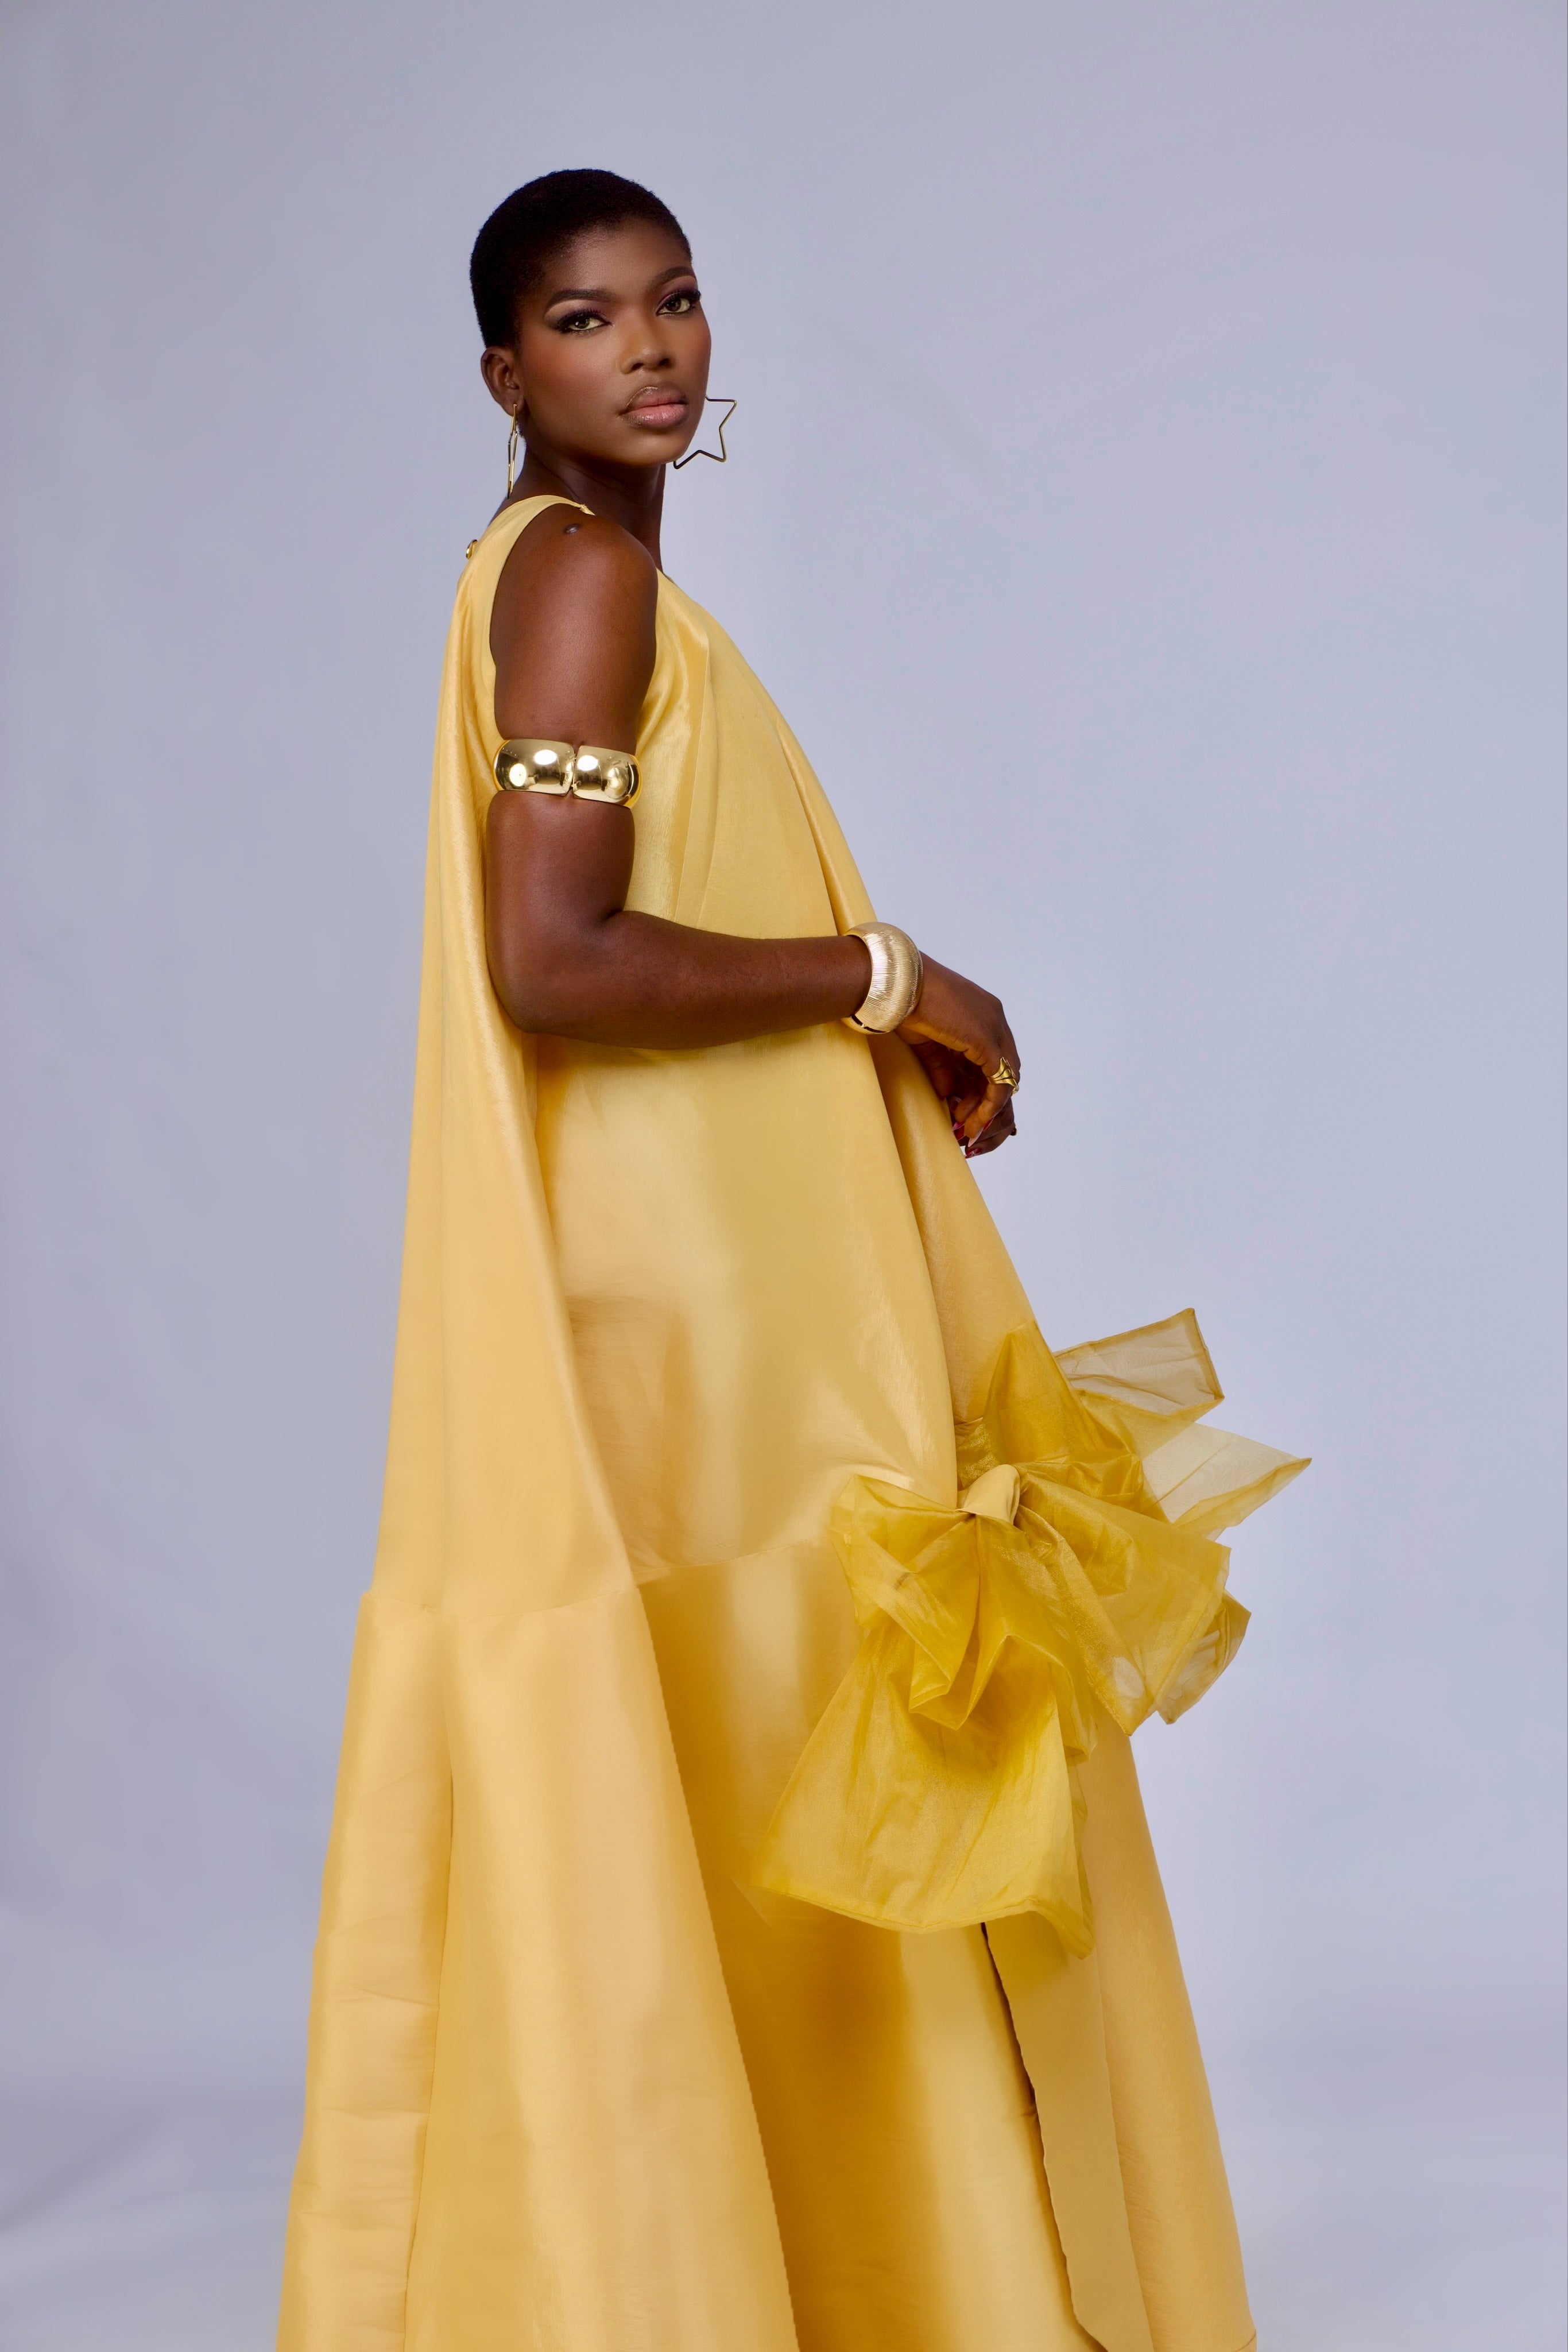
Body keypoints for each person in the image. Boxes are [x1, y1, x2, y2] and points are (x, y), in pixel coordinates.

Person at [277, 169, 1304, 2352]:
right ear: (503, 372)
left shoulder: (560, 567)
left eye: (672, 300)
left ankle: (819, 2275)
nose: (648, 346)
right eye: (584, 319)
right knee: (791, 1718)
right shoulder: (579, 580)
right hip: (716, 1306)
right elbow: (552, 957)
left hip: (724, 1260)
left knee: (763, 1741)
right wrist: (887, 974)